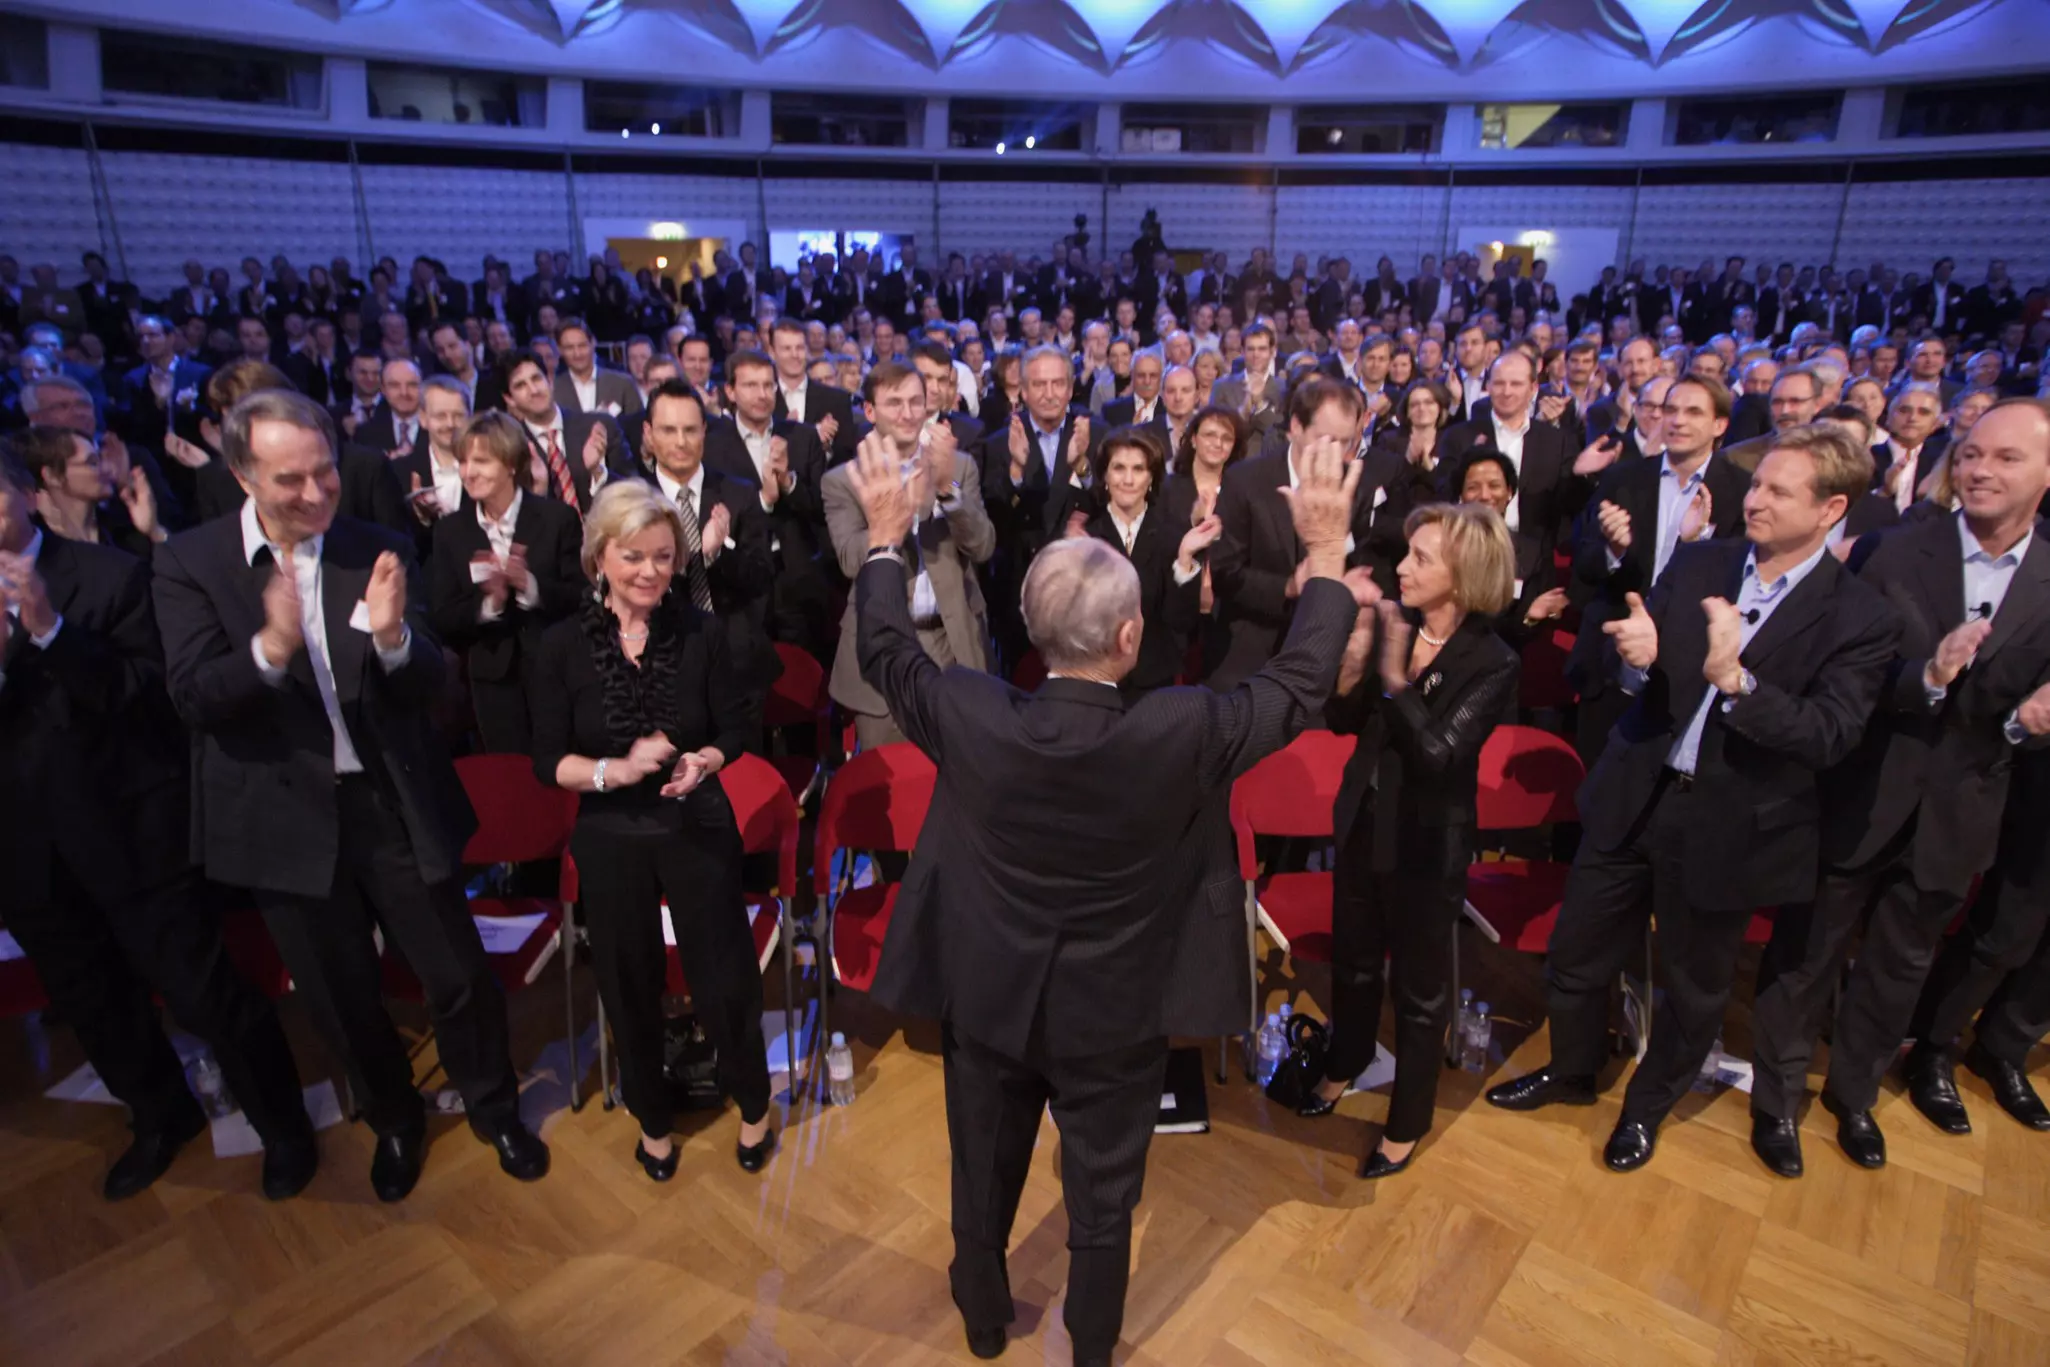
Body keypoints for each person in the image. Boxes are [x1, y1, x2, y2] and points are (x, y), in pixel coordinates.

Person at [844, 422, 1365, 1367]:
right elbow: (1297, 683)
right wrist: (1326, 552)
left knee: (981, 1173)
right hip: (1119, 1012)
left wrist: (885, 535)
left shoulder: (972, 711)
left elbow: (886, 650)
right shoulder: (1180, 728)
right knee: (1104, 1198)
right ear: (1131, 638)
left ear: (1037, 637)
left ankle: (982, 1316)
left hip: (989, 999)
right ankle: (1090, 1349)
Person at [151, 388, 549, 1203]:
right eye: (289, 479)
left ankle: (492, 1106)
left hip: (388, 803)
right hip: (283, 821)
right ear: (240, 474)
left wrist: (400, 638)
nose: (314, 493)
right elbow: (192, 695)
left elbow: (434, 678)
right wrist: (269, 646)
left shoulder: (372, 542)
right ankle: (395, 1120)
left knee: (457, 973)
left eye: (324, 471)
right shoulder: (192, 563)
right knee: (339, 995)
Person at [1485, 423, 1897, 1176]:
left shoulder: (1861, 617)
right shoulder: (1704, 557)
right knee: (1576, 953)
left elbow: (1830, 733)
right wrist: (1635, 660)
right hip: (1634, 792)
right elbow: (1634, 649)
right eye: (1760, 482)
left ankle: (1644, 1107)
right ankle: (1575, 1071)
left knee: (1695, 989)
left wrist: (1739, 681)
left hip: (1732, 826)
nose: (1757, 498)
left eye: (1779, 489)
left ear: (1832, 507)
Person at [0, 453, 315, 1202]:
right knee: (92, 1002)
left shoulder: (107, 576)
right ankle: (158, 1116)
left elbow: (150, 698)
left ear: (25, 493)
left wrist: (47, 631)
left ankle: (284, 1126)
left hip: (132, 835)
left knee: (206, 995)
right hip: (27, 853)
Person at [1750, 398, 2050, 1175]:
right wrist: (1927, 674)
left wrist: (2027, 725)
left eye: (2006, 458)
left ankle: (1854, 1097)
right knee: (1807, 953)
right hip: (1865, 790)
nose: (1980, 468)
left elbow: (2019, 716)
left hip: (1963, 808)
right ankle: (1776, 1100)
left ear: (2046, 475)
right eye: (1973, 452)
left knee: (1900, 962)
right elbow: (1845, 674)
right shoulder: (1889, 549)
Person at [528, 479, 773, 1179]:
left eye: (664, 557)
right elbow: (548, 762)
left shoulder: (702, 630)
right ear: (599, 555)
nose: (650, 572)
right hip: (611, 835)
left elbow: (737, 725)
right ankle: (654, 1122)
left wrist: (707, 758)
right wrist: (615, 768)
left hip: (697, 823)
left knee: (724, 976)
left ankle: (754, 1106)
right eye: (634, 555)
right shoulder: (561, 645)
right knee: (627, 980)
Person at [1302, 503, 1519, 1179]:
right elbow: (1341, 717)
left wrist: (1395, 677)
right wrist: (1357, 662)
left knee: (1421, 993)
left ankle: (1407, 1122)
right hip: (1365, 821)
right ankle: (1344, 1063)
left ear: (1465, 573)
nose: (1403, 566)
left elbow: (1438, 754)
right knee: (1355, 963)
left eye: (1422, 557)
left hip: (1428, 843)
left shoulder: (1493, 659)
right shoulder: (1396, 622)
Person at [1566, 375, 1751, 765]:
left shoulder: (1740, 489)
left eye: (1693, 412)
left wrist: (1696, 548)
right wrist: (1612, 551)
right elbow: (1582, 566)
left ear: (1720, 425)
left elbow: (1741, 582)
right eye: (1670, 410)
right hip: (1612, 662)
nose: (1677, 421)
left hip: (1690, 665)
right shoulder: (1624, 477)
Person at [827, 363, 994, 746]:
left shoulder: (958, 466)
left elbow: (982, 546)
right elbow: (853, 559)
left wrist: (948, 491)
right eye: (894, 403)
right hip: (885, 651)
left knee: (961, 773)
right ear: (869, 411)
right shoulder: (844, 480)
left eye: (915, 402)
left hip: (953, 645)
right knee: (888, 783)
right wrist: (907, 510)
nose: (907, 413)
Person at [1209, 377, 1409, 689]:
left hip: (1325, 650)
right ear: (1296, 427)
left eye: (1347, 441)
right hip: (1249, 647)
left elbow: (1359, 560)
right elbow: (1225, 574)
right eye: (1326, 438)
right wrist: (1289, 586)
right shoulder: (1245, 481)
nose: (1337, 452)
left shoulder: (1357, 484)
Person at [428, 411, 582, 752]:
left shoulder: (557, 519)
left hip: (554, 674)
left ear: (511, 464)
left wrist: (529, 586)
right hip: (490, 685)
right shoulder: (450, 531)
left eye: (481, 461)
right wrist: (490, 604)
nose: (469, 472)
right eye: (464, 461)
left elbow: (581, 597)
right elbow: (442, 616)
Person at [1064, 427, 1216, 696]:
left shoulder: (1173, 537)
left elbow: (1181, 622)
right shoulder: (1087, 537)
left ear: (1151, 479)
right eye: (1119, 468)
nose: (1129, 479)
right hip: (1095, 681)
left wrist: (1184, 562)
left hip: (1154, 683)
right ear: (1105, 477)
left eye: (1139, 469)